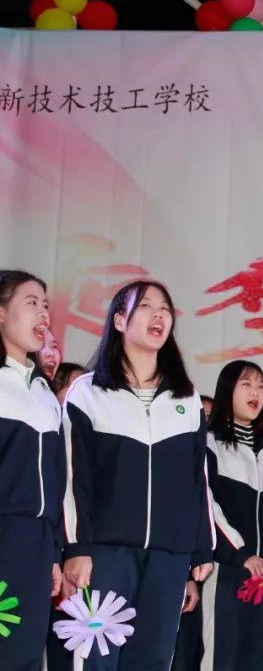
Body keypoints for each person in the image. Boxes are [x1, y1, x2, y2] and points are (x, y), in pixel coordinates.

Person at [63, 280, 214, 671]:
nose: (158, 314)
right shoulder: (88, 393)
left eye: (165, 308)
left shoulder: (186, 397)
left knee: (153, 660)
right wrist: (77, 548)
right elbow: (74, 479)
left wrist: (200, 551)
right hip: (105, 555)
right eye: (145, 306)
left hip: (169, 557)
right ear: (119, 320)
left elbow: (197, 481)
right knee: (96, 660)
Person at [203, 360, 263, 671]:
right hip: (226, 570)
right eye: (246, 385)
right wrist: (241, 553)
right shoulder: (210, 444)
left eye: (260, 386)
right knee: (222, 657)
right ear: (227, 390)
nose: (255, 392)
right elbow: (206, 504)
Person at [0, 270, 64, 670]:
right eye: (30, 303)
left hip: (37, 545)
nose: (43, 313)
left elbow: (56, 481)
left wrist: (54, 553)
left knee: (25, 653)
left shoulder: (44, 393)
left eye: (45, 305)